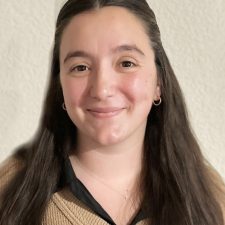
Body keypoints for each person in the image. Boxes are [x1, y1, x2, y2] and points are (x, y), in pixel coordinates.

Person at [0, 0, 225, 224]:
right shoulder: (9, 190)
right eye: (80, 67)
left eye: (126, 63)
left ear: (159, 82)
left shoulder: (211, 196)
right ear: (60, 88)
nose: (102, 89)